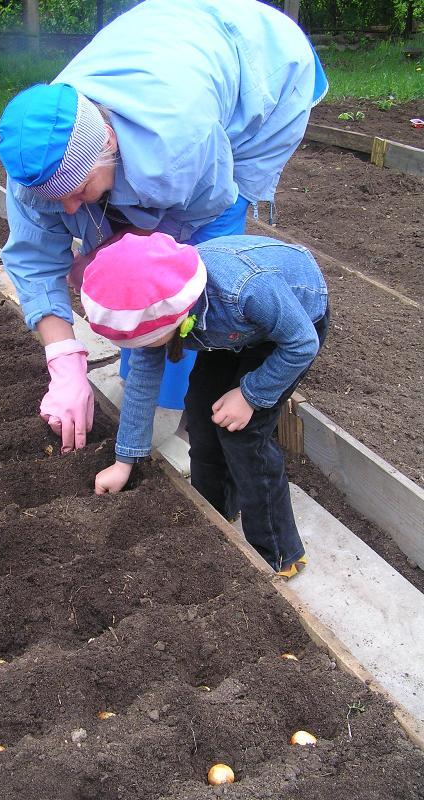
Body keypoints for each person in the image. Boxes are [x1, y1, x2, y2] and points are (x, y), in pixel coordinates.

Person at [0, 0, 329, 454]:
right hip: (171, 42)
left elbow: (189, 241)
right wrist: (64, 362)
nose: (68, 208)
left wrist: (113, 255)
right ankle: (145, 387)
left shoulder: (177, 146)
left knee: (192, 277)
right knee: (131, 265)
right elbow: (34, 261)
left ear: (108, 143)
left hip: (266, 70)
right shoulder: (34, 159)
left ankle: (182, 411)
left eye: (79, 190)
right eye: (58, 199)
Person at [80, 232, 329, 577]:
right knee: (200, 412)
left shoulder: (246, 290)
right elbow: (141, 382)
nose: (146, 347)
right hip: (228, 335)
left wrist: (249, 395)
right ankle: (214, 514)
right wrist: (124, 461)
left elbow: (302, 344)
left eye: (149, 340)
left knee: (243, 436)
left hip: (288, 331)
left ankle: (278, 552)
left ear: (172, 316)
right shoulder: (160, 304)